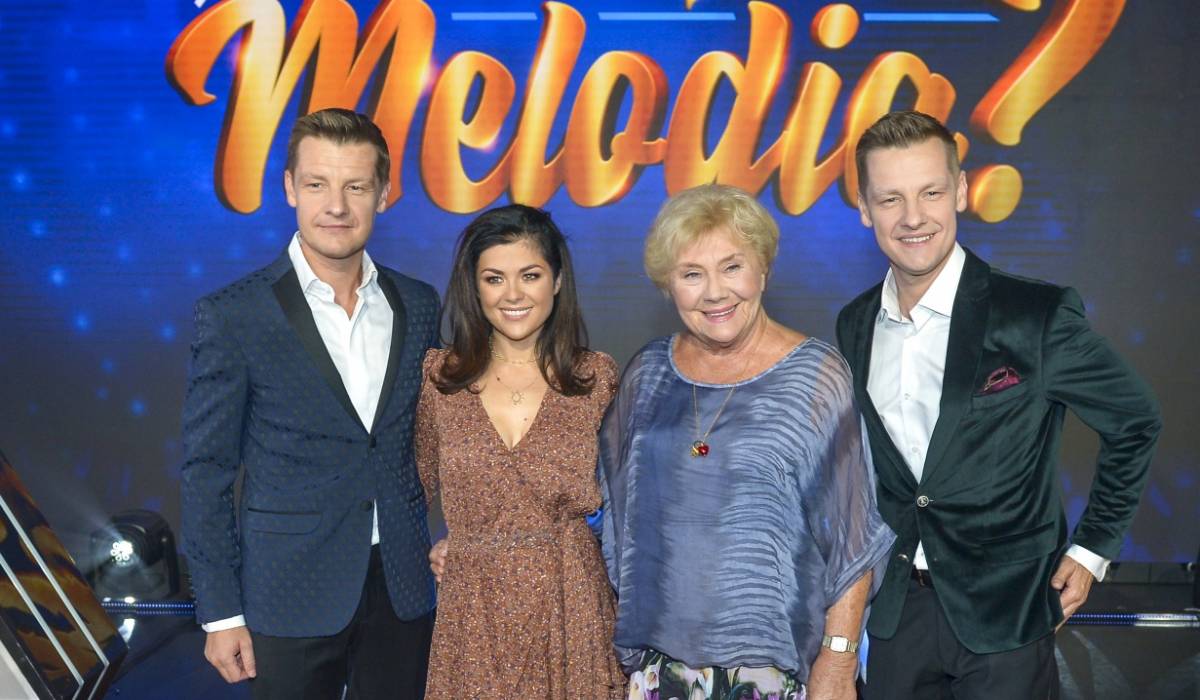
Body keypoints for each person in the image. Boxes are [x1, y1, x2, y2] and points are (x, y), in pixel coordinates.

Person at [836, 110, 1162, 699]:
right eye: (890, 199)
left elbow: (1135, 420)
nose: (913, 217)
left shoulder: (1035, 316)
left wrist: (1093, 548)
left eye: (931, 192)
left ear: (961, 191)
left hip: (1007, 614)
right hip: (895, 616)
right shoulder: (855, 323)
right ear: (864, 208)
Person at [599, 184, 895, 700]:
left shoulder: (815, 377)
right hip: (659, 670)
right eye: (692, 274)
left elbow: (854, 538)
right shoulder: (647, 376)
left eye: (732, 267)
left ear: (763, 269)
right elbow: (604, 512)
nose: (715, 292)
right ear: (669, 286)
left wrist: (839, 659)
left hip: (772, 674)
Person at [180, 108, 438, 699]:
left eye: (357, 187)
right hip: (287, 592)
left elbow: (439, 438)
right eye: (318, 184)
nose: (337, 206)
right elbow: (206, 470)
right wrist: (220, 613)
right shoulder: (236, 313)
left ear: (384, 193)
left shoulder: (419, 305)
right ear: (290, 188)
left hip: (402, 585)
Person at [415, 205, 625, 699]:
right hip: (473, 612)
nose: (512, 294)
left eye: (530, 275)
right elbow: (410, 491)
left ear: (557, 281)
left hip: (572, 605)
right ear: (475, 287)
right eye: (494, 278)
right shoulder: (438, 379)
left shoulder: (596, 378)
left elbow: (627, 506)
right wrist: (437, 547)